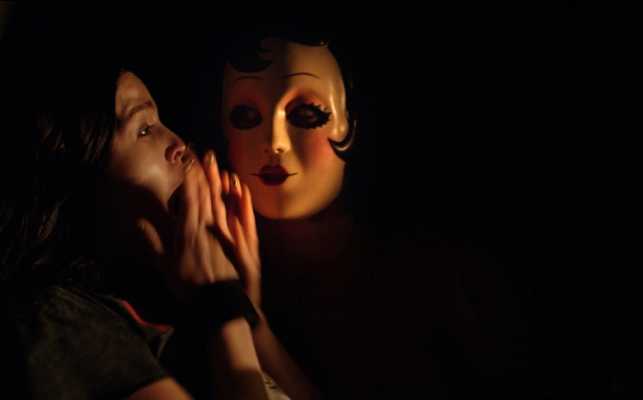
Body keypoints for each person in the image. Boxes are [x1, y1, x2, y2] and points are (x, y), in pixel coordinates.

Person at [209, 27, 529, 399]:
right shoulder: (211, 262)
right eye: (246, 115)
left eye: (306, 114)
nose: (274, 142)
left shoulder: (437, 276)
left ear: (351, 123)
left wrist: (250, 324)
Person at [0, 26, 302, 398]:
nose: (178, 144)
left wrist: (249, 315)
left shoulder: (172, 304)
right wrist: (222, 308)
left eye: (160, 121)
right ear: (79, 182)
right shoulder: (58, 321)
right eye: (144, 130)